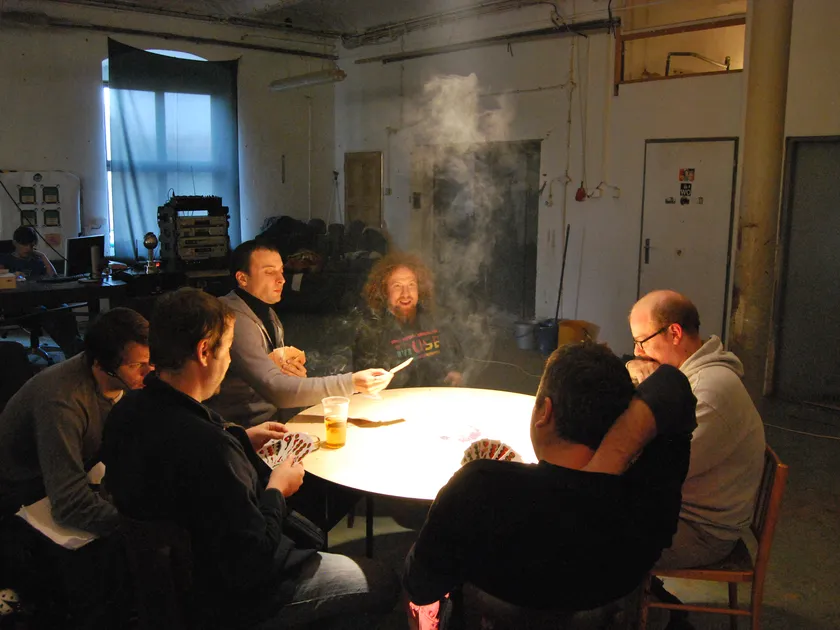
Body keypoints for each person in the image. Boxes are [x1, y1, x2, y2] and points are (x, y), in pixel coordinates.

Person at [102, 288, 400, 630]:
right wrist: (277, 489)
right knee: (381, 580)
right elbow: (253, 559)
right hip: (231, 598)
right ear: (204, 351)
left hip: (168, 586)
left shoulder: (126, 412)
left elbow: (171, 466)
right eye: (228, 348)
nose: (229, 361)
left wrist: (241, 437)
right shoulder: (210, 447)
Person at [404, 342, 697, 625]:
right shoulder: (644, 498)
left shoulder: (479, 488)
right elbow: (672, 385)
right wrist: (605, 464)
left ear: (544, 412)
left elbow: (420, 586)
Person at [0, 307, 151, 628]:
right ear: (100, 365)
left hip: (80, 466)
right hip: (23, 490)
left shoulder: (127, 382)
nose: (149, 372)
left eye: (151, 362)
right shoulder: (63, 401)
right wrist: (140, 527)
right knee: (114, 555)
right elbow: (69, 502)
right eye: (137, 366)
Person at [626, 290, 765, 569]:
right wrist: (632, 365)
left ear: (674, 333)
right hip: (679, 508)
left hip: (701, 531)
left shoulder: (706, 393)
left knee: (593, 538)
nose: (638, 351)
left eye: (642, 342)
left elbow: (651, 472)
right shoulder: (688, 374)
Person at [207, 239, 393, 427]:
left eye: (281, 271)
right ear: (242, 278)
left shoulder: (267, 313)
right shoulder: (233, 320)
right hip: (243, 431)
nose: (281, 279)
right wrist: (352, 383)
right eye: (269, 272)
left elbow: (276, 382)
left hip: (273, 421)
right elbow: (276, 390)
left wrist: (290, 375)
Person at [354, 252, 464, 388]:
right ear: (384, 291)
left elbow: (456, 359)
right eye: (397, 286)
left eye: (411, 285)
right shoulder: (371, 330)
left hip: (436, 396)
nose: (405, 294)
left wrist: (455, 372)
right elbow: (363, 381)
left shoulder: (436, 320)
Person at [0, 226, 84, 357]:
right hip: (18, 306)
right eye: (24, 245)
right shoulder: (5, 259)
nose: (28, 248)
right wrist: (12, 276)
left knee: (64, 310)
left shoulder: (36, 260)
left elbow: (53, 277)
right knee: (46, 313)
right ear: (15, 243)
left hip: (40, 299)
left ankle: (78, 345)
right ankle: (71, 350)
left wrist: (44, 257)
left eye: (31, 245)